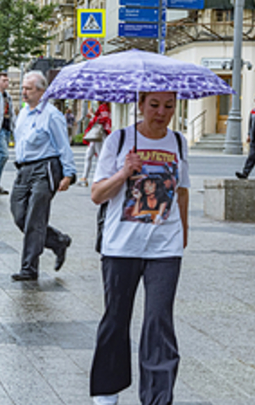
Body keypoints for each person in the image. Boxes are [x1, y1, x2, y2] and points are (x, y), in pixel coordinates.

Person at [89, 91, 190, 405]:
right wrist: (123, 172)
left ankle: (158, 397)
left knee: (159, 320)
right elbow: (97, 194)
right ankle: (107, 390)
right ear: (141, 104)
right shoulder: (118, 141)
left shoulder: (178, 142)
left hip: (165, 247)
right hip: (121, 246)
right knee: (116, 318)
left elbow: (182, 192)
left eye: (169, 106)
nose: (161, 112)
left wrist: (183, 233)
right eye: (155, 105)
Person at [9, 71, 76, 282]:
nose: (24, 92)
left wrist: (69, 174)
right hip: (23, 170)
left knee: (34, 219)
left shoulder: (52, 115)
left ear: (42, 91)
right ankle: (58, 241)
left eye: (29, 89)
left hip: (45, 169)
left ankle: (29, 268)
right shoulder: (22, 113)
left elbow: (63, 145)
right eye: (23, 88)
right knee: (20, 216)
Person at [79, 102, 112, 187]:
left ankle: (103, 177)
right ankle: (84, 177)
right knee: (88, 155)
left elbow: (101, 119)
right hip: (96, 135)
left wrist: (92, 115)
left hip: (99, 135)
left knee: (100, 157)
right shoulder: (103, 107)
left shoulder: (103, 107)